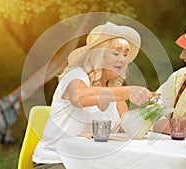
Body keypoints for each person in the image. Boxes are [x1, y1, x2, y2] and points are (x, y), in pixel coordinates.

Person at [32, 22, 155, 169]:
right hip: (56, 162)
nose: (123, 60)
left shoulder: (114, 89)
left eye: (125, 54)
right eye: (116, 53)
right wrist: (127, 92)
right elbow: (78, 97)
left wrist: (154, 111)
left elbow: (129, 128)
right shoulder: (76, 75)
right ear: (98, 54)